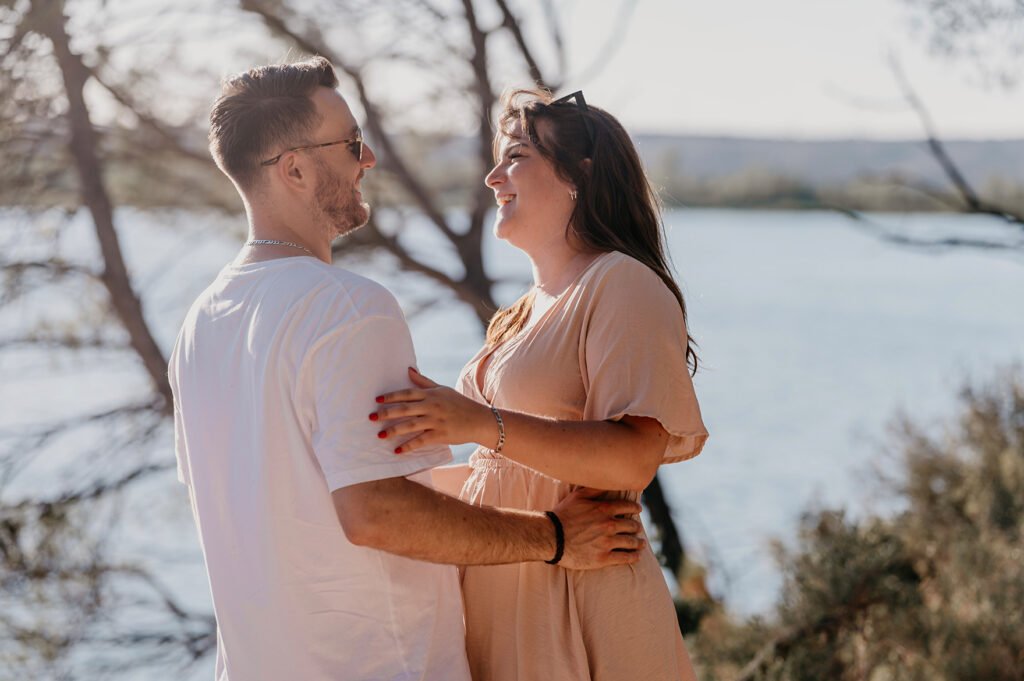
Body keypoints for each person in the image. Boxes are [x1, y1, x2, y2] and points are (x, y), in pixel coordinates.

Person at [168, 60, 647, 681]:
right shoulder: (346, 307)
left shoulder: (201, 323)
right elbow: (376, 512)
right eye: (349, 144)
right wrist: (554, 536)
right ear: (294, 168)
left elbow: (302, 498)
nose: (366, 159)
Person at [373, 89, 709, 681]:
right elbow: (499, 476)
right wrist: (368, 495)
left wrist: (478, 423)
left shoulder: (622, 285)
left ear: (580, 174)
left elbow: (634, 457)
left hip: (577, 603)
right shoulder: (521, 313)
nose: (492, 176)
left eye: (517, 156)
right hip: (505, 588)